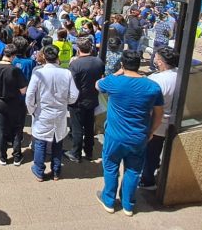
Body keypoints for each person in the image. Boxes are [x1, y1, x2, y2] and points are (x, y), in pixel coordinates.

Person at [96, 50, 163, 216]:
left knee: (111, 167)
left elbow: (98, 84)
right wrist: (151, 131)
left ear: (122, 64)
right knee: (133, 170)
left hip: (114, 135)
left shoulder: (113, 81)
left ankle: (109, 200)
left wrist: (118, 72)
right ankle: (128, 204)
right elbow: (159, 113)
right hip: (139, 136)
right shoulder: (153, 86)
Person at [25, 45, 78, 182]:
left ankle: (39, 171)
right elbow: (74, 95)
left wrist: (32, 110)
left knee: (41, 142)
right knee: (57, 141)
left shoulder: (39, 73)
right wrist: (65, 102)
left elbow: (30, 95)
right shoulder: (66, 73)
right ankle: (56, 171)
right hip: (59, 112)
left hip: (42, 112)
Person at [140, 47, 179, 190]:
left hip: (156, 123)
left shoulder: (156, 79)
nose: (154, 60)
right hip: (174, 121)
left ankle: (147, 180)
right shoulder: (181, 74)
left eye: (156, 57)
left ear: (161, 62)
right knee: (156, 152)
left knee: (150, 154)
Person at [0, 44, 28, 166]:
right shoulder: (15, 70)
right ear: (13, 56)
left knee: (1, 129)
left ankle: (2, 155)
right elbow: (23, 90)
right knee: (17, 129)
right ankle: (17, 156)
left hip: (0, 102)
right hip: (15, 103)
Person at [65, 36, 105, 163]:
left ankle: (75, 153)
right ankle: (89, 151)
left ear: (78, 49)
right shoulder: (99, 62)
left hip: (77, 101)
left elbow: (70, 83)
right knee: (89, 126)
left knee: (77, 128)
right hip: (92, 99)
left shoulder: (75, 64)